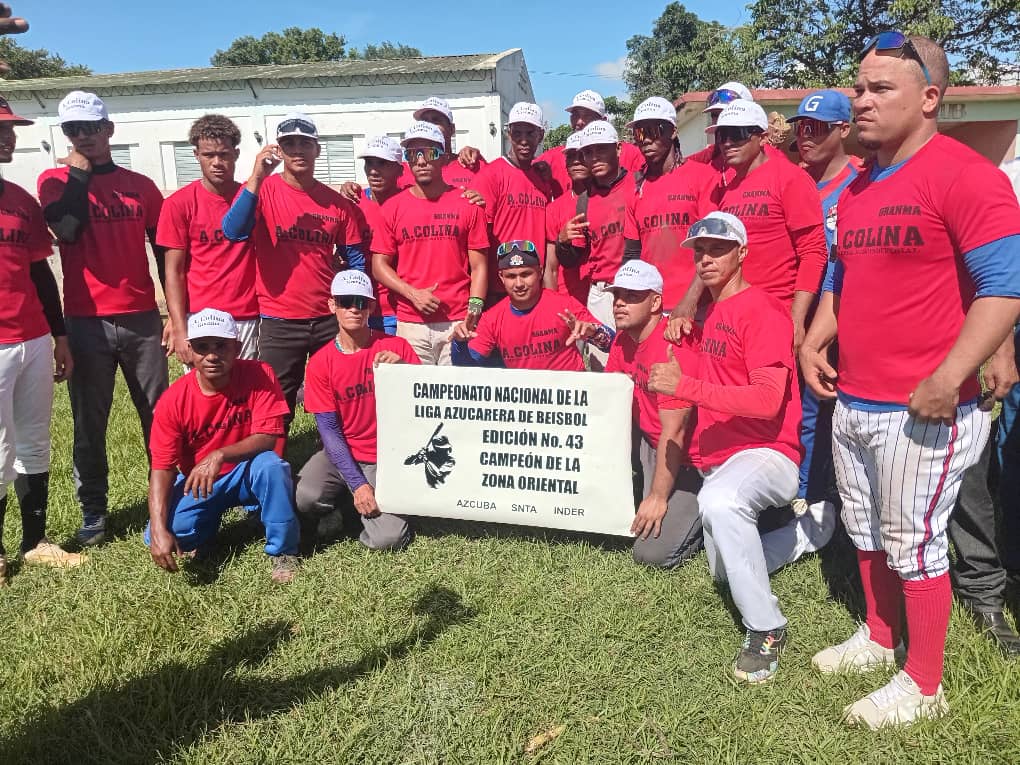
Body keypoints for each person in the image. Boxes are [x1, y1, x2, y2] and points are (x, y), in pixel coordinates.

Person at [800, 34, 1020, 728]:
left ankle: (925, 685)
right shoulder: (860, 187)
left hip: (923, 405)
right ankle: (880, 634)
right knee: (867, 531)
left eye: (879, 88)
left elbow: (1005, 287)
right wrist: (815, 335)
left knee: (914, 542)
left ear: (929, 98)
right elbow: (842, 272)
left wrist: (951, 374)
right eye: (859, 87)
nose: (860, 100)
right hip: (856, 398)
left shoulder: (965, 175)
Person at [647, 212, 832, 684]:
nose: (706, 258)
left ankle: (766, 628)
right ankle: (808, 532)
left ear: (742, 253)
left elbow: (768, 402)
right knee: (725, 573)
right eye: (700, 251)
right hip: (723, 459)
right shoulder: (707, 315)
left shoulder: (763, 310)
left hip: (769, 452)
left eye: (718, 248)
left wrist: (686, 385)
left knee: (721, 502)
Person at [38, 90, 169, 547]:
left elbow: (166, 250)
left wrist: (174, 313)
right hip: (86, 319)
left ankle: (166, 504)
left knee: (157, 416)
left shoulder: (140, 186)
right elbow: (67, 230)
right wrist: (78, 173)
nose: (83, 137)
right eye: (73, 129)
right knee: (89, 422)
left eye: (91, 128)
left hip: (141, 318)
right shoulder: (54, 182)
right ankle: (94, 511)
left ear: (109, 129)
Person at [221, 112, 366, 427]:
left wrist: (353, 304)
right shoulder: (264, 191)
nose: (298, 150)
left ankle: (341, 460)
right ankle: (274, 464)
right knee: (276, 398)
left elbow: (355, 260)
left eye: (305, 143)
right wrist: (256, 176)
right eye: (289, 144)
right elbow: (233, 231)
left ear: (317, 149)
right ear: (279, 150)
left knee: (339, 392)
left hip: (327, 316)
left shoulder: (337, 205)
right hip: (279, 318)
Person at [146, 308, 299, 583]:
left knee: (272, 466)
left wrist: (220, 454)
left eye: (221, 346)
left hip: (247, 471)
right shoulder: (172, 400)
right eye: (202, 347)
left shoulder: (260, 374)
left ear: (237, 348)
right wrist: (158, 529)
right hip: (201, 480)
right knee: (164, 533)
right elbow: (162, 466)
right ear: (190, 351)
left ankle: (284, 551)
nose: (212, 355)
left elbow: (268, 436)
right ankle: (207, 532)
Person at [0, 97, 83, 581]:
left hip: (31, 336)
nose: (10, 137)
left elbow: (40, 272)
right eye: (2, 129)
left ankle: (34, 541)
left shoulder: (20, 200)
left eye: (12, 128)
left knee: (34, 440)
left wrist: (59, 334)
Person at [295, 270, 420, 551]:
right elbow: (328, 430)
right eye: (345, 301)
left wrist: (406, 372)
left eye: (361, 302)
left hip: (386, 457)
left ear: (372, 307)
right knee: (305, 496)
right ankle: (347, 499)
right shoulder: (320, 362)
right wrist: (358, 483)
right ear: (332, 306)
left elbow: (423, 407)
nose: (354, 308)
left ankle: (356, 513)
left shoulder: (395, 347)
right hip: (343, 452)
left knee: (389, 539)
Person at [691, 100, 826, 353]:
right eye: (722, 135)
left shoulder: (790, 178)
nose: (727, 143)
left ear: (762, 137)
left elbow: (813, 252)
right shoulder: (727, 190)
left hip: (775, 314)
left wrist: (797, 320)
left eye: (738, 134)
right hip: (732, 317)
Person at [785, 89, 860, 522]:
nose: (806, 136)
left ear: (843, 130)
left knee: (832, 406)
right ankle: (802, 491)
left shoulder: (859, 181)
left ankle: (821, 494)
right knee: (802, 404)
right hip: (798, 309)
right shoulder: (795, 180)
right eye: (801, 128)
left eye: (817, 128)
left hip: (842, 314)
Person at [604, 261, 703, 569]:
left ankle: (710, 516)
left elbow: (675, 434)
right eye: (617, 294)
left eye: (631, 295)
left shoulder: (673, 344)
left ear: (656, 301)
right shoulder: (624, 338)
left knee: (650, 553)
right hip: (652, 441)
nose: (620, 302)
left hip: (693, 460)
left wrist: (659, 497)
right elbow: (608, 398)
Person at [372, 121, 488, 365]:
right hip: (410, 323)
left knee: (455, 399)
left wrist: (474, 311)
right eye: (413, 154)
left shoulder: (467, 203)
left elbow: (479, 266)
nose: (421, 161)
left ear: (444, 157)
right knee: (415, 399)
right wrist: (413, 294)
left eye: (430, 153)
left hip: (457, 321)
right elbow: (379, 265)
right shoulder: (392, 207)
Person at [158, 114, 259, 363]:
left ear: (235, 154)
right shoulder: (178, 204)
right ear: (196, 155)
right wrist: (180, 327)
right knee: (206, 396)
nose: (217, 162)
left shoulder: (253, 198)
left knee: (247, 393)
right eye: (208, 155)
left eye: (223, 154)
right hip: (200, 317)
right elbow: (174, 271)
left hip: (248, 315)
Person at [621, 97, 718, 318]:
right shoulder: (635, 187)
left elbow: (711, 247)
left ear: (673, 132)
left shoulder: (702, 177)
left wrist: (690, 301)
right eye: (639, 133)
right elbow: (632, 253)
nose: (645, 140)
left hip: (697, 307)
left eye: (653, 130)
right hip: (650, 307)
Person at [450, 239, 610, 370]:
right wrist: (460, 343)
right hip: (528, 403)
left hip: (568, 400)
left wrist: (594, 333)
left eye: (526, 274)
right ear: (501, 277)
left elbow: (611, 344)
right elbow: (466, 368)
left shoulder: (564, 305)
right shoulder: (492, 318)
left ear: (540, 272)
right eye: (511, 276)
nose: (519, 283)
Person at [556, 121, 635, 370]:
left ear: (618, 149)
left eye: (602, 149)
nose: (594, 157)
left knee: (641, 368)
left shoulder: (639, 185)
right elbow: (571, 259)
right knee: (605, 373)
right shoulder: (584, 201)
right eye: (588, 152)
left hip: (635, 291)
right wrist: (563, 241)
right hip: (601, 296)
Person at [474, 102, 553, 304]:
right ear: (509, 134)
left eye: (530, 133)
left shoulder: (543, 177)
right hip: (501, 286)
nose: (523, 140)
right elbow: (479, 234)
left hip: (535, 283)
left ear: (541, 135)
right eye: (517, 133)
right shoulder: (491, 174)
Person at [542, 90, 644, 194]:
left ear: (603, 120)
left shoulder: (631, 153)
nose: (579, 122)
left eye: (588, 116)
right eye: (575, 115)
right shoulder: (551, 158)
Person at [355, 136, 404, 335]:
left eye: (382, 163)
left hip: (400, 310)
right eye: (369, 163)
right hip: (359, 310)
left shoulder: (410, 202)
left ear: (400, 170)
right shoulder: (353, 204)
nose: (374, 171)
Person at [543, 131, 590, 306]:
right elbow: (550, 267)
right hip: (567, 301)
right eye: (571, 156)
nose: (576, 161)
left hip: (603, 299)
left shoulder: (608, 199)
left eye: (582, 155)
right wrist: (552, 305)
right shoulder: (554, 209)